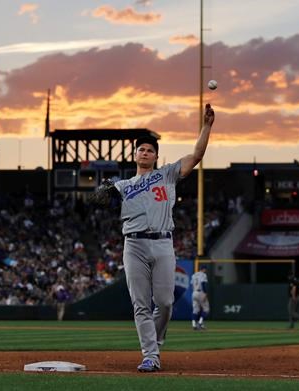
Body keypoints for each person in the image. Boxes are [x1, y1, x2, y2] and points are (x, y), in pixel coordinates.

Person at [94, 103, 215, 372]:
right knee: (140, 304)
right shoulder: (123, 186)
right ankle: (150, 355)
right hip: (133, 244)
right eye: (141, 149)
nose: (145, 152)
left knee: (165, 303)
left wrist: (206, 126)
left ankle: (156, 343)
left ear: (156, 156)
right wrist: (103, 193)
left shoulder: (167, 175)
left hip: (162, 243)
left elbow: (196, 155)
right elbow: (99, 199)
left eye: (149, 150)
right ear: (135, 155)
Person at [191, 264, 209, 330]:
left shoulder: (194, 275)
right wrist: (205, 293)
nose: (206, 270)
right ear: (203, 269)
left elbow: (191, 285)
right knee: (206, 309)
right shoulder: (203, 275)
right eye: (205, 269)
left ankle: (193, 325)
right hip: (201, 292)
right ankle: (200, 323)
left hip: (194, 292)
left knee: (195, 310)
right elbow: (203, 284)